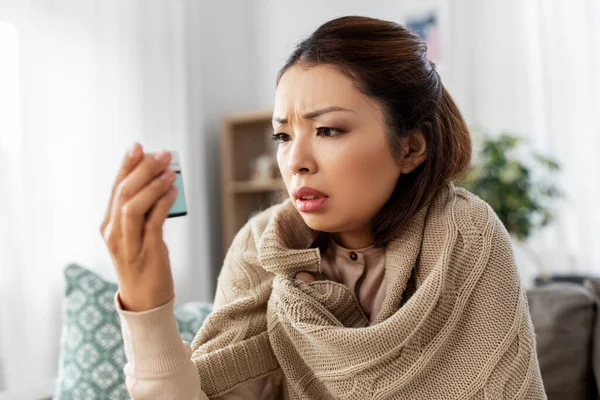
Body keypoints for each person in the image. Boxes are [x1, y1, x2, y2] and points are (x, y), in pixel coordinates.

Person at [101, 15, 546, 399]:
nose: (296, 161)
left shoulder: (465, 234)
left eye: (329, 130)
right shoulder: (260, 246)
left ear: (410, 147)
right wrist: (147, 306)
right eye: (283, 136)